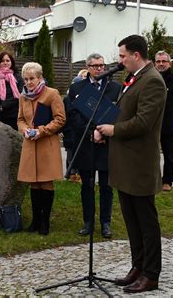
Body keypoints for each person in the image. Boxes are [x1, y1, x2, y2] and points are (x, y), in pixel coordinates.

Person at [96, 35, 166, 293]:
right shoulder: (136, 78)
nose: (120, 60)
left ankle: (151, 274)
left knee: (146, 223)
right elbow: (124, 111)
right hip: (125, 163)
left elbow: (143, 122)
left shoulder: (153, 81)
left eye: (123, 56)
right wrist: (102, 128)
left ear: (137, 55)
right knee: (132, 221)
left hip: (139, 165)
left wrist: (113, 130)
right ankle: (137, 266)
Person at [66, 53, 120, 238]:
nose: (99, 69)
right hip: (85, 143)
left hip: (107, 144)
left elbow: (118, 114)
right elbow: (73, 116)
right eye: (95, 65)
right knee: (87, 186)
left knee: (106, 186)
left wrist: (103, 132)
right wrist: (91, 133)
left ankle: (106, 223)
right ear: (88, 67)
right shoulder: (77, 88)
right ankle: (88, 222)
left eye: (102, 65)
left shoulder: (114, 87)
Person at [17, 62, 66, 236]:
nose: (29, 82)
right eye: (26, 79)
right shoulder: (23, 97)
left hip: (46, 143)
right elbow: (20, 119)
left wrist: (41, 131)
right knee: (34, 182)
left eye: (32, 79)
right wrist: (24, 130)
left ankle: (45, 222)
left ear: (40, 78)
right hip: (30, 144)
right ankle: (35, 220)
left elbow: (60, 119)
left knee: (45, 181)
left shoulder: (51, 94)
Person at [154, 50, 173, 192]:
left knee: (168, 155)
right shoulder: (150, 78)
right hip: (151, 124)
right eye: (158, 61)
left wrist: (170, 114)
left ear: (169, 63)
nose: (161, 64)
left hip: (168, 124)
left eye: (163, 61)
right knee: (151, 154)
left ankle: (167, 181)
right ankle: (153, 180)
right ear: (155, 63)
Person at [0, 51, 24, 130]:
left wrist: (4, 105)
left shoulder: (18, 77)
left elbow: (20, 94)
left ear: (11, 62)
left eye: (7, 60)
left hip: (12, 115)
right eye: (2, 61)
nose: (5, 63)